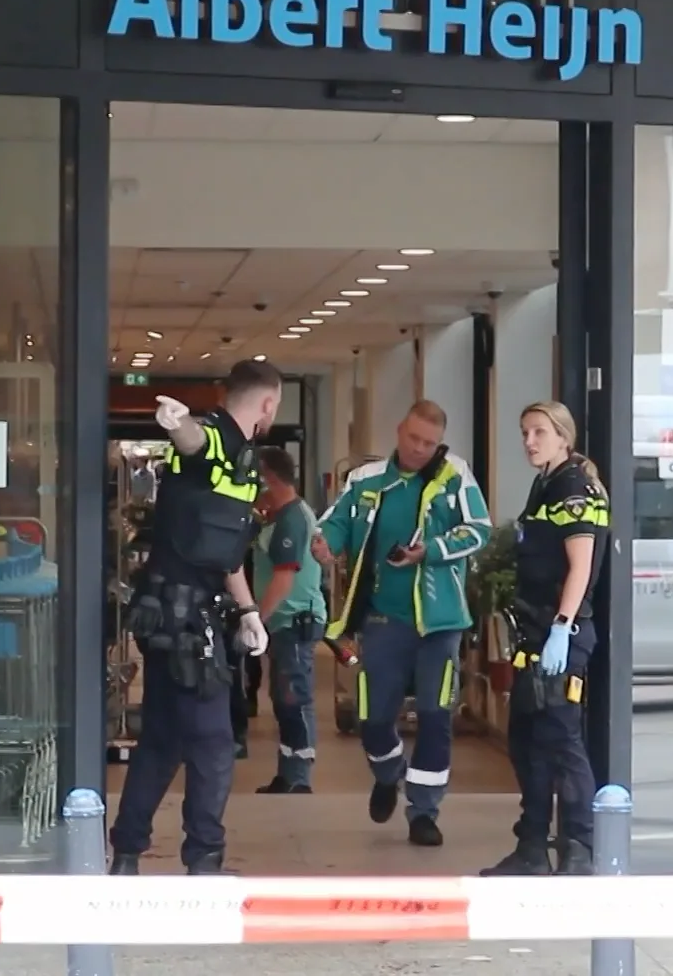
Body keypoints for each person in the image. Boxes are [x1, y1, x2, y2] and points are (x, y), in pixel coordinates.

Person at [108, 361, 282, 875]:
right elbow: (193, 442)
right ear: (269, 404)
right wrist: (174, 423)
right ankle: (204, 858)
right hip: (181, 619)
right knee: (211, 742)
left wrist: (249, 610)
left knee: (162, 740)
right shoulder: (215, 438)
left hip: (178, 611)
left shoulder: (244, 461)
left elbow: (223, 554)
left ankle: (125, 852)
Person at [312, 401, 491, 847]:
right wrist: (325, 546)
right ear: (399, 430)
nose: (420, 449)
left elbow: (479, 529)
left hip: (440, 621)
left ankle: (424, 811)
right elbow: (335, 524)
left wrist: (429, 549)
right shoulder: (366, 480)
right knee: (372, 717)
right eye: (414, 439)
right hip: (382, 618)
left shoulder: (454, 474)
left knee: (434, 715)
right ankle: (388, 771)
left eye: (430, 443)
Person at [481, 401, 609, 876]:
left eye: (538, 432)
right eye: (524, 432)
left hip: (561, 635)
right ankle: (532, 847)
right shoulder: (546, 484)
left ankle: (580, 848)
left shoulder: (574, 487)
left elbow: (580, 566)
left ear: (563, 436)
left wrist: (561, 627)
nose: (529, 442)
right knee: (528, 741)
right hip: (533, 634)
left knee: (561, 740)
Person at [247, 446, 327, 794]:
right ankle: (288, 771)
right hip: (283, 622)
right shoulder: (280, 517)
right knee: (282, 697)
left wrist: (256, 621)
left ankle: (299, 774)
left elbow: (284, 577)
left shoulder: (293, 519)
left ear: (270, 477)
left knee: (294, 696)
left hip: (294, 619)